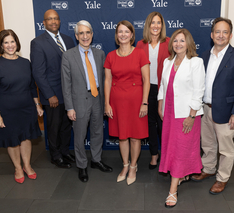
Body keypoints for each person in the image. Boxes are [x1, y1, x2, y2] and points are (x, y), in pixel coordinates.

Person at [190, 17, 234, 194]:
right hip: (206, 109)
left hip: (227, 112)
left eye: (225, 32)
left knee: (226, 149)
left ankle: (222, 178)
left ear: (230, 35)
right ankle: (208, 169)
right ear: (211, 34)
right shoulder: (204, 57)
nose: (221, 35)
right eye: (217, 31)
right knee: (208, 144)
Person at [158, 29, 205, 208]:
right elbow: (163, 85)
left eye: (182, 41)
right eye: (175, 41)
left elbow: (199, 90)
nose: (178, 44)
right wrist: (160, 102)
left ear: (189, 43)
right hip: (170, 112)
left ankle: (172, 189)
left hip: (186, 114)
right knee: (173, 146)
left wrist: (192, 115)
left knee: (181, 148)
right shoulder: (168, 61)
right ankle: (181, 175)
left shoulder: (196, 62)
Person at [0, 29, 43, 183]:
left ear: (16, 43)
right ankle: (18, 168)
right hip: (7, 110)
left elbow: (32, 86)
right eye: (6, 42)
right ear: (1, 45)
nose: (10, 45)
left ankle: (27, 165)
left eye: (12, 41)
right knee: (12, 140)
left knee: (26, 138)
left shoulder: (26, 63)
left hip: (27, 108)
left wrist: (37, 104)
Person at [61, 20, 113, 182]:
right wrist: (69, 107)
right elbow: (66, 83)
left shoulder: (100, 54)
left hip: (97, 98)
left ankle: (96, 160)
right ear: (76, 36)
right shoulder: (68, 55)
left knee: (98, 132)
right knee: (80, 135)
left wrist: (106, 102)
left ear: (92, 34)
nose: (85, 36)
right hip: (78, 102)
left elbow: (105, 79)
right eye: (81, 33)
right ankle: (82, 165)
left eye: (88, 33)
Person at [104, 20, 150, 185]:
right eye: (120, 32)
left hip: (136, 101)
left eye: (126, 31)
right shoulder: (110, 55)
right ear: (116, 35)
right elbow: (107, 81)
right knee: (122, 136)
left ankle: (133, 166)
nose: (123, 34)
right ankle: (124, 165)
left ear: (132, 35)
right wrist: (106, 104)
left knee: (135, 137)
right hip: (117, 101)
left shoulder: (140, 54)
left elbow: (146, 79)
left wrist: (145, 102)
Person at [30, 9, 75, 168]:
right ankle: (55, 156)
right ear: (44, 23)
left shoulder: (69, 40)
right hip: (53, 96)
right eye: (49, 19)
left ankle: (65, 151)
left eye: (56, 18)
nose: (53, 21)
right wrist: (49, 95)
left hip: (69, 94)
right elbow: (38, 73)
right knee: (54, 126)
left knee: (66, 126)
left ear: (60, 21)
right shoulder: (38, 42)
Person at [136, 12, 170, 170]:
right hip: (146, 89)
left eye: (159, 23)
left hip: (164, 90)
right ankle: (154, 155)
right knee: (150, 124)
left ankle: (166, 156)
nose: (156, 26)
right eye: (153, 23)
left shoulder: (169, 42)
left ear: (162, 25)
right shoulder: (140, 44)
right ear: (148, 25)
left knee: (163, 124)